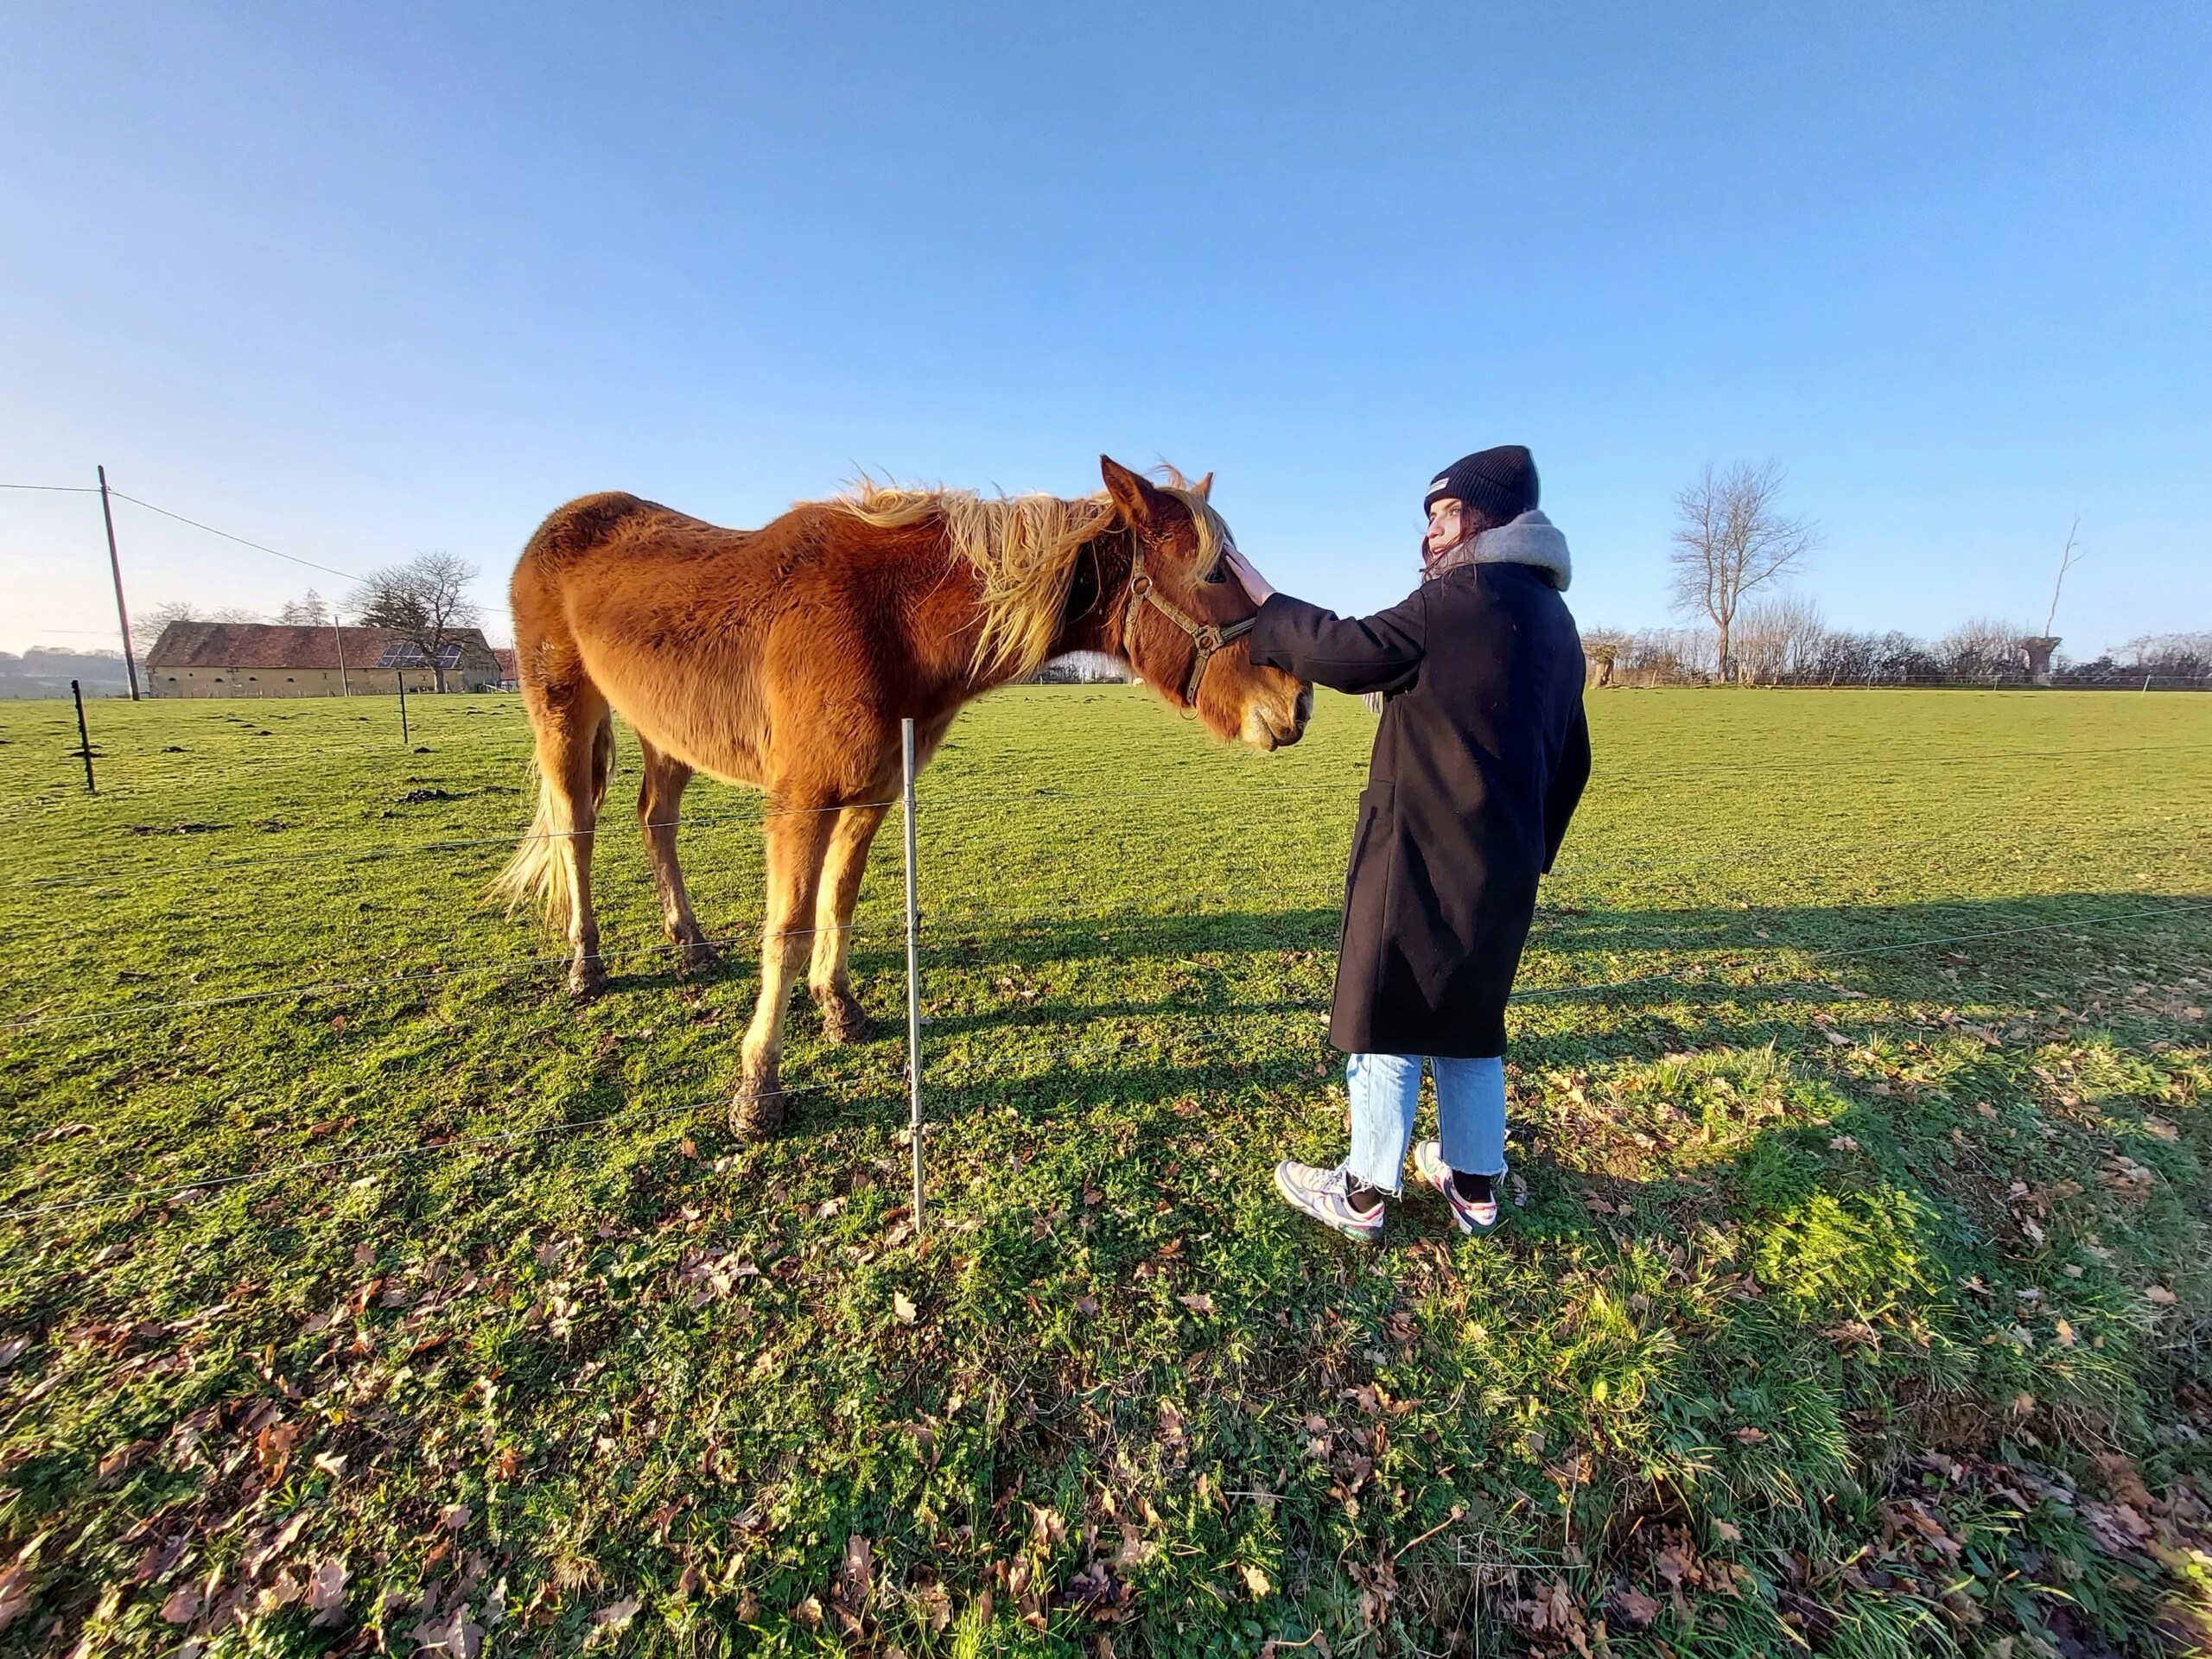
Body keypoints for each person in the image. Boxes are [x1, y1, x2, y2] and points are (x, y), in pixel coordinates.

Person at [1221, 446, 1590, 1241]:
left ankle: (1361, 1193)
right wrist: (1530, 848)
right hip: (1503, 864)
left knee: (1388, 1011)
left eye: (1445, 513)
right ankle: (1474, 1186)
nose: (1431, 533)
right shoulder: (1558, 625)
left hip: (1416, 852)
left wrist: (1264, 600)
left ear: (1490, 516)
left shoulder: (1460, 596)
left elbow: (1348, 652)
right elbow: (1575, 759)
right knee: (1470, 1017)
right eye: (1428, 518)